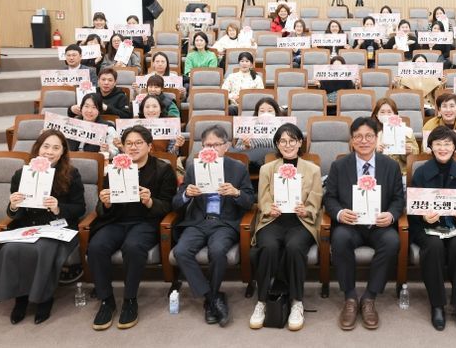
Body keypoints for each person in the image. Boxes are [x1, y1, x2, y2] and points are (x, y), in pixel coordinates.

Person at [0, 130, 85, 325]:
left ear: (62, 152)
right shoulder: (21, 174)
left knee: (43, 248)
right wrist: (13, 206)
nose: (49, 152)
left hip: (58, 229)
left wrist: (58, 208)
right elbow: (15, 214)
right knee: (11, 249)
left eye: (56, 148)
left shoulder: (71, 174)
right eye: (46, 146)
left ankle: (44, 299)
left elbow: (80, 208)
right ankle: (21, 298)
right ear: (37, 148)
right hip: (28, 227)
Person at [88, 125, 177, 331]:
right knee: (96, 247)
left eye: (138, 143)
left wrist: (150, 202)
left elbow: (169, 206)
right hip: (116, 221)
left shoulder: (163, 170)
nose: (133, 147)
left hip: (145, 222)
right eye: (128, 143)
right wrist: (106, 203)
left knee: (133, 247)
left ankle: (130, 300)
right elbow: (101, 206)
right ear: (123, 147)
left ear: (149, 146)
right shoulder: (115, 168)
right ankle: (106, 300)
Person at [324, 117, 404, 331]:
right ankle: (350, 297)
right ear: (351, 141)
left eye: (369, 136)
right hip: (351, 226)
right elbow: (329, 198)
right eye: (358, 136)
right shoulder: (339, 165)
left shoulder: (391, 166)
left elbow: (398, 199)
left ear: (377, 139)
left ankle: (369, 297)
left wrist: (391, 215)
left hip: (379, 226)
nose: (364, 141)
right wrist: (340, 213)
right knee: (339, 238)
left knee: (392, 241)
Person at [172, 125, 254, 327]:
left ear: (226, 146)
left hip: (224, 223)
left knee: (217, 251)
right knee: (181, 251)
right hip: (198, 221)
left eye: (216, 145)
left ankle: (211, 300)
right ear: (201, 147)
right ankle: (213, 297)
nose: (212, 149)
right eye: (207, 145)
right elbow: (176, 202)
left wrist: (236, 193)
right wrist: (186, 194)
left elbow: (249, 201)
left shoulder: (238, 168)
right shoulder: (194, 168)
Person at [251, 123, 322, 331]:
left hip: (300, 222)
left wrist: (306, 209)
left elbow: (316, 199)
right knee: (268, 247)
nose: (288, 145)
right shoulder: (267, 169)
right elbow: (262, 198)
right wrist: (269, 208)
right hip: (273, 220)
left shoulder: (313, 170)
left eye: (292, 140)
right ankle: (262, 301)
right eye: (283, 141)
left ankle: (297, 301)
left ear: (300, 143)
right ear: (277, 144)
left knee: (294, 247)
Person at [409, 126, 456, 332]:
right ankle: (437, 305)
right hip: (426, 228)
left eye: (447, 144)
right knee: (434, 246)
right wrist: (423, 215)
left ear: (455, 147)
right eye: (438, 144)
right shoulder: (421, 173)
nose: (443, 148)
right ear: (430, 147)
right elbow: (412, 208)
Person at [230, 97, 283, 174]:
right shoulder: (248, 126)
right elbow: (238, 149)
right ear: (257, 113)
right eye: (262, 111)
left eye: (270, 111)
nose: (266, 114)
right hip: (250, 163)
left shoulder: (282, 127)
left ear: (276, 113)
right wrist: (246, 146)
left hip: (272, 161)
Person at [372, 97, 419, 176]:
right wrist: (374, 151)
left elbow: (416, 154)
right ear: (377, 115)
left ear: (395, 114)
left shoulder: (406, 131)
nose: (386, 115)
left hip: (400, 173)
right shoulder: (370, 132)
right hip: (377, 173)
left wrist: (408, 152)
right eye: (382, 112)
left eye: (389, 112)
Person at [68, 68, 133, 119]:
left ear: (115, 83)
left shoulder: (121, 96)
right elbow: (73, 113)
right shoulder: (91, 92)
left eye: (110, 80)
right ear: (98, 81)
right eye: (103, 79)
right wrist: (71, 109)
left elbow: (127, 116)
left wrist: (107, 108)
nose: (106, 83)